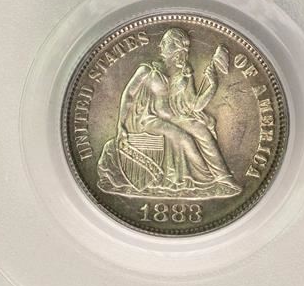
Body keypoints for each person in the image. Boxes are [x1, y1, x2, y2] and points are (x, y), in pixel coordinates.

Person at [97, 28, 241, 198]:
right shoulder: (147, 70)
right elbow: (128, 96)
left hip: (173, 117)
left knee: (202, 130)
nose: (161, 46)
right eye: (164, 43)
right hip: (149, 119)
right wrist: (120, 125)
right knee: (184, 138)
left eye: (165, 43)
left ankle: (223, 180)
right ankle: (205, 182)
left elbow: (195, 105)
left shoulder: (185, 73)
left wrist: (212, 85)